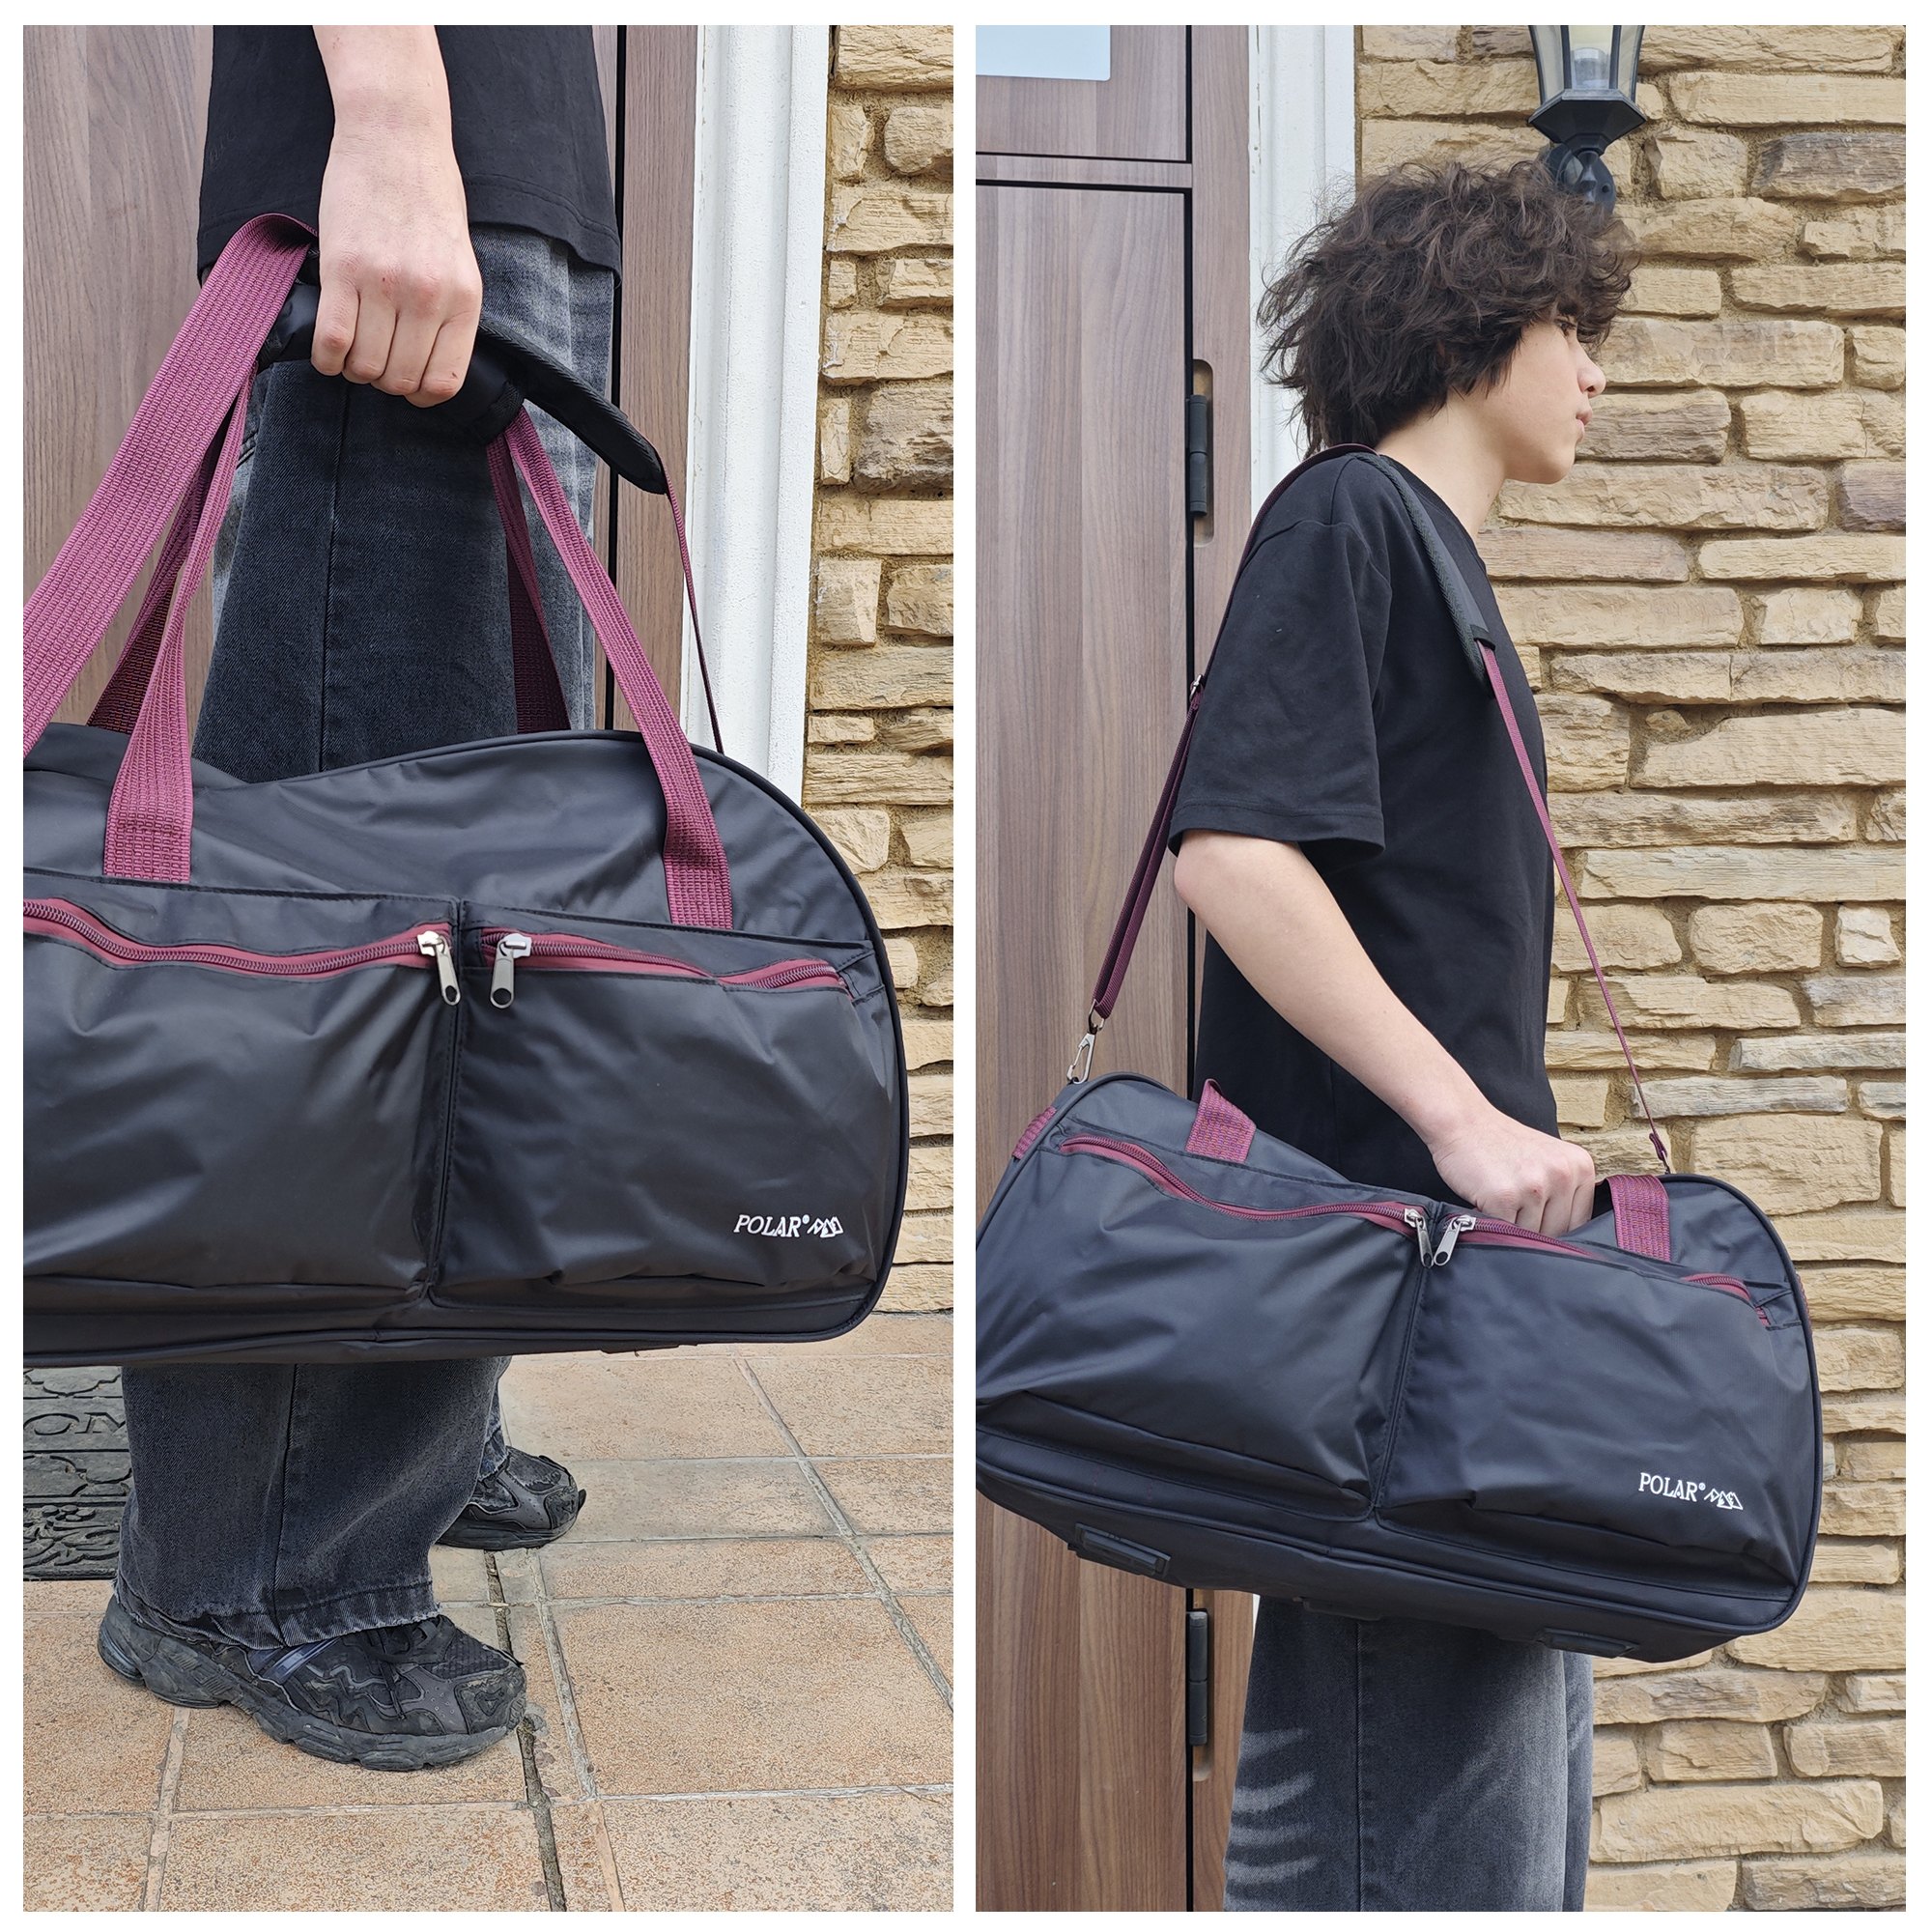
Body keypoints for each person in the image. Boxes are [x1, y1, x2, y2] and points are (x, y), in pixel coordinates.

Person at [98, 25, 619, 1772]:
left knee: (462, 927)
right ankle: (252, 1570)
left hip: (504, 196)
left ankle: (405, 1434)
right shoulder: (393, 134)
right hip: (405, 171)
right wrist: (392, 113)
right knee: (354, 959)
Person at [1167, 161, 1634, 1909]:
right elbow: (1231, 854)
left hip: (1456, 1289)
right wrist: (1463, 1125)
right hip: (1393, 1294)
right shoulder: (1350, 519)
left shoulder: (1430, 559)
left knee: (1490, 1806)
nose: (1595, 370)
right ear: (1472, 326)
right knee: (1417, 1819)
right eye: (1574, 326)